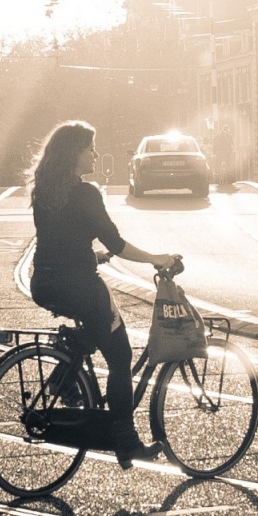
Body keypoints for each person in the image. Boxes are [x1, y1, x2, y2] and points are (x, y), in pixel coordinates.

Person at [29, 120, 181, 470]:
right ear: (74, 154)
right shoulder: (86, 193)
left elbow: (59, 238)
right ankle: (125, 440)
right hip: (79, 284)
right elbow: (117, 244)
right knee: (120, 355)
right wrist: (157, 258)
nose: (95, 154)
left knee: (95, 334)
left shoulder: (45, 188)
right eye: (90, 148)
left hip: (45, 282)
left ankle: (65, 378)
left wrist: (89, 253)